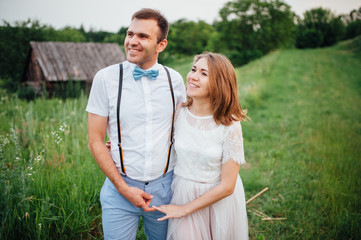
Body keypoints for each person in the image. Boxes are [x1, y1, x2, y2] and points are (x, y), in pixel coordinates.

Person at [86, 8, 186, 240]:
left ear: (161, 45)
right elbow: (95, 140)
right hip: (120, 187)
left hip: (166, 188)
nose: (132, 41)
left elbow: (184, 129)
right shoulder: (106, 79)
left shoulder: (175, 80)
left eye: (143, 36)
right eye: (130, 34)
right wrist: (123, 188)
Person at [154, 52, 249, 239]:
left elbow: (228, 186)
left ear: (219, 83)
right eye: (193, 69)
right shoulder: (178, 113)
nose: (193, 77)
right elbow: (157, 141)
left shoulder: (229, 124)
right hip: (182, 192)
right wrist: (119, 147)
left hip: (218, 201)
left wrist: (184, 209)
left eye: (204, 74)